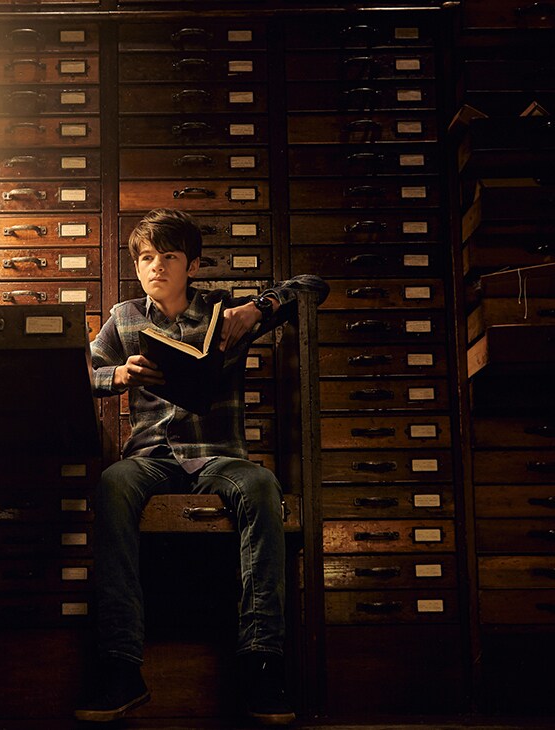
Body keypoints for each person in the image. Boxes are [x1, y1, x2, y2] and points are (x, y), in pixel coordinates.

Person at [76, 208, 328, 725]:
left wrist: (258, 308)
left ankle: (262, 663)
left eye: (168, 257)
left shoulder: (221, 309)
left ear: (192, 265)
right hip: (151, 458)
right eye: (147, 257)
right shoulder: (125, 317)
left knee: (262, 487)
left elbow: (313, 285)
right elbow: (85, 370)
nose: (156, 267)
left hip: (220, 456)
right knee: (111, 485)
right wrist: (119, 374)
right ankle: (121, 665)